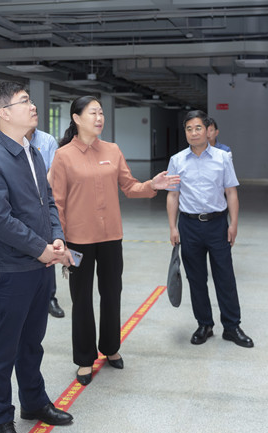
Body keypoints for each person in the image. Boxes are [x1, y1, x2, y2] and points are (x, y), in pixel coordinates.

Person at [49, 96, 180, 386]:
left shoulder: (112, 150)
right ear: (76, 118)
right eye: (92, 113)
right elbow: (56, 202)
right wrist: (60, 240)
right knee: (82, 299)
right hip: (78, 241)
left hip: (111, 237)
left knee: (112, 294)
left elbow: (130, 187)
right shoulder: (63, 156)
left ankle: (110, 347)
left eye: (101, 113)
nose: (99, 118)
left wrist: (152, 185)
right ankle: (85, 359)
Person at [0, 82, 74, 433]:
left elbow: (48, 201)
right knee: (3, 349)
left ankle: (33, 402)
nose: (32, 106)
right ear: (4, 113)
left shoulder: (34, 152)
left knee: (31, 344)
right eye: (24, 101)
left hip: (41, 265)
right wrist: (41, 249)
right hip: (12, 270)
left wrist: (56, 237)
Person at [166, 110, 253, 348]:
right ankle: (204, 324)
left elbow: (231, 192)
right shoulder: (177, 160)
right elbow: (173, 196)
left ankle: (232, 326)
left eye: (198, 128)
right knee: (196, 278)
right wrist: (173, 227)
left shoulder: (222, 158)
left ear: (208, 131)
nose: (193, 133)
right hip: (189, 225)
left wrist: (233, 224)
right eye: (189, 129)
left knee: (225, 276)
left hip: (217, 225)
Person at [25, 125, 65, 318]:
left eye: (34, 110)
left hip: (42, 201)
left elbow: (53, 173)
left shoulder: (46, 141)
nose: (33, 111)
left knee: (48, 250)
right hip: (22, 205)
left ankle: (49, 297)